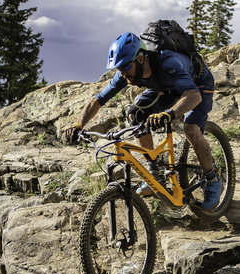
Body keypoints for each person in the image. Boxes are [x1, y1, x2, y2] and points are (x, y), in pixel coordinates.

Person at [67, 31, 222, 210]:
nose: (122, 73)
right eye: (118, 69)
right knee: (136, 114)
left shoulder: (168, 63)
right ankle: (155, 173)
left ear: (140, 59)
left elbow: (193, 96)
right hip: (165, 87)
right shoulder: (127, 71)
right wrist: (79, 124)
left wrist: (169, 114)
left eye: (125, 67)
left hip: (197, 85)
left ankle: (212, 178)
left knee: (192, 130)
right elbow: (98, 99)